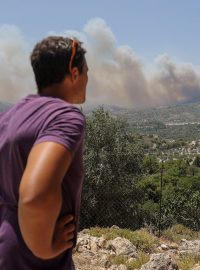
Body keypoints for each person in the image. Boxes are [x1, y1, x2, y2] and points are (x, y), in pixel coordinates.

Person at [0, 35, 88, 270]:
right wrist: (44, 247)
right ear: (75, 73)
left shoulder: (11, 114)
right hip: (36, 260)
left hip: (7, 246)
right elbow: (35, 195)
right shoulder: (65, 116)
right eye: (86, 71)